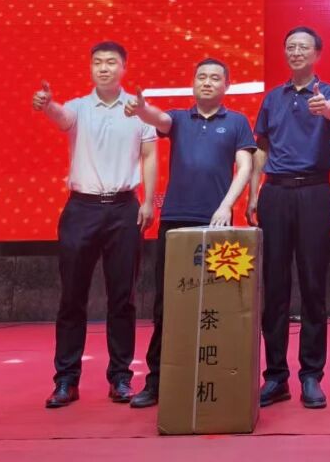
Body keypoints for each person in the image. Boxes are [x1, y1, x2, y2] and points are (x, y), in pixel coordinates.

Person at [123, 58, 256, 409]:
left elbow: (245, 167)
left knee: (220, 304)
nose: (207, 82)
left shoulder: (237, 122)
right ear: (193, 83)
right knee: (167, 304)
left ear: (226, 85)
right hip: (176, 222)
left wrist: (226, 206)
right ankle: (157, 381)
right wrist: (142, 109)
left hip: (219, 225)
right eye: (201, 77)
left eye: (215, 78)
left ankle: (221, 378)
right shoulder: (180, 119)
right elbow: (158, 119)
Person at [32, 41, 157, 409]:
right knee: (72, 298)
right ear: (90, 69)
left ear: (124, 68)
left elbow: (150, 155)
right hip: (81, 210)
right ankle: (65, 380)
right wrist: (47, 105)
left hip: (124, 209)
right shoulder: (78, 107)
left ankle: (120, 378)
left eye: (111, 62)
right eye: (98, 63)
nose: (104, 68)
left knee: (123, 299)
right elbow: (61, 118)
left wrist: (149, 200)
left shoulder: (137, 109)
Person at [246, 26, 330, 409]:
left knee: (313, 285)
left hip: (315, 193)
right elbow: (261, 148)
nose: (296, 52)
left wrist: (324, 106)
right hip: (275, 193)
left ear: (317, 54)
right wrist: (254, 192)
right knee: (274, 285)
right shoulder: (273, 97)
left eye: (303, 47)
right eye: (290, 47)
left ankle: (311, 375)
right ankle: (275, 376)